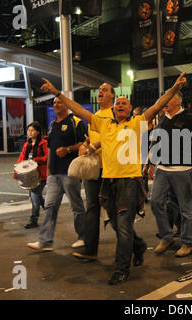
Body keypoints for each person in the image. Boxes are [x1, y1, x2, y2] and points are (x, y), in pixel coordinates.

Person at [41, 73, 187, 285]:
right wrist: (56, 93)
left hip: (129, 182)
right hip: (108, 182)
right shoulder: (103, 123)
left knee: (124, 226)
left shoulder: (138, 122)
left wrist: (174, 88)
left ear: (129, 109)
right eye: (118, 103)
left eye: (124, 103)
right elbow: (78, 110)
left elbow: (158, 104)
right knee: (117, 226)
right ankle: (137, 246)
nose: (120, 105)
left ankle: (122, 269)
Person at [147, 89, 192, 258]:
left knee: (186, 208)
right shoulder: (163, 119)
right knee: (155, 202)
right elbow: (156, 141)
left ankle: (187, 243)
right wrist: (151, 164)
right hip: (162, 169)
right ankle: (167, 236)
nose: (164, 101)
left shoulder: (188, 118)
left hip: (182, 169)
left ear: (177, 101)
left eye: (168, 99)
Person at [26, 97, 87, 250]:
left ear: (66, 104)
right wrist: (47, 170)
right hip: (53, 173)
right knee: (50, 206)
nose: (56, 105)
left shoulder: (76, 122)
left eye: (59, 102)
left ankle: (84, 237)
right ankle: (45, 242)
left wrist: (68, 149)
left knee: (76, 206)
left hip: (70, 172)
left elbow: (85, 143)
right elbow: (51, 149)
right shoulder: (53, 125)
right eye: (54, 103)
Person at [73, 82, 115, 261]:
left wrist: (94, 145)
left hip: (111, 168)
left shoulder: (116, 114)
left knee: (114, 209)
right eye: (99, 90)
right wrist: (84, 145)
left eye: (105, 90)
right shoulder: (95, 116)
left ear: (113, 95)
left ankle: (135, 244)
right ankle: (90, 250)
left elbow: (112, 136)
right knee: (92, 207)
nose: (101, 93)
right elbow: (91, 137)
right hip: (94, 169)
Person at [15, 121, 49, 229]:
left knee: (34, 195)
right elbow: (22, 157)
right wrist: (18, 168)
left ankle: (34, 219)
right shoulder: (27, 144)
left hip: (41, 175)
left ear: (38, 132)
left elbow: (47, 158)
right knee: (37, 196)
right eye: (29, 130)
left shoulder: (43, 143)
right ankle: (50, 213)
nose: (30, 132)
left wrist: (35, 160)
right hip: (30, 176)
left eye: (32, 130)